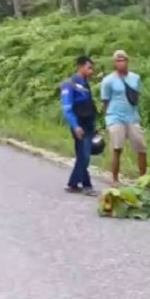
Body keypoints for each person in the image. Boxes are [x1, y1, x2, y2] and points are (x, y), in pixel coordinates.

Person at [100, 49, 147, 185]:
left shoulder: (135, 78)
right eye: (118, 60)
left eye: (123, 60)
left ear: (127, 61)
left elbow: (135, 97)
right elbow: (105, 101)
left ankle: (143, 179)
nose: (121, 63)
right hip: (115, 116)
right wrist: (108, 118)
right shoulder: (108, 81)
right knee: (117, 147)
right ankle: (115, 178)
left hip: (132, 116)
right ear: (114, 63)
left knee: (141, 147)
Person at [61, 55, 99, 196]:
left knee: (83, 155)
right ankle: (86, 185)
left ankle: (73, 184)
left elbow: (89, 105)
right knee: (85, 155)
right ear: (80, 67)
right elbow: (67, 108)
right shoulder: (70, 84)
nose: (91, 71)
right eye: (89, 68)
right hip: (79, 125)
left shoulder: (84, 83)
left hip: (88, 124)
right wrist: (75, 126)